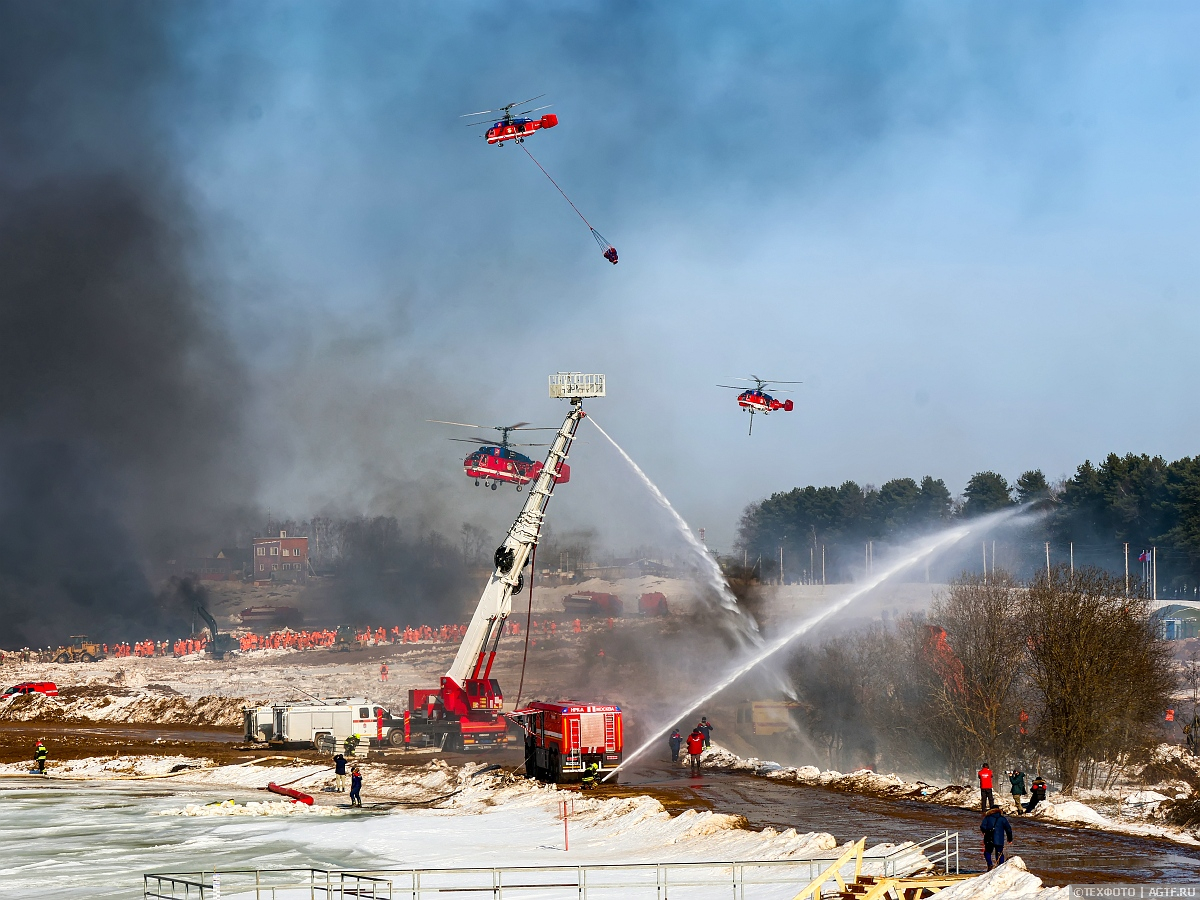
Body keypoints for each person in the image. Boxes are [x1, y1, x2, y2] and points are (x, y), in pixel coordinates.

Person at [980, 803, 1012, 870]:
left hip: (989, 838)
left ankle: (990, 865)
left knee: (987, 852)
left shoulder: (987, 818)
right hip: (999, 839)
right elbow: (1008, 829)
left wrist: (985, 832)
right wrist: (1010, 838)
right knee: (999, 853)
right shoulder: (1002, 819)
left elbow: (982, 826)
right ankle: (1000, 868)